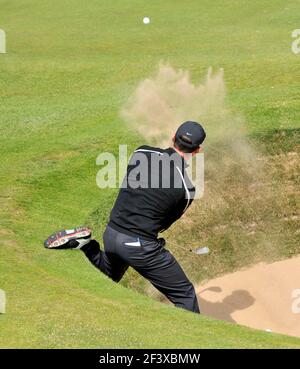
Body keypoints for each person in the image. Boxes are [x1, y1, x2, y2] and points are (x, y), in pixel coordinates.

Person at [44, 121, 206, 314]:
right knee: (185, 294)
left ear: (173, 137)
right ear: (197, 151)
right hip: (139, 247)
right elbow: (164, 224)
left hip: (112, 233)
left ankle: (86, 244)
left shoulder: (143, 153)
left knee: (108, 275)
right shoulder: (187, 189)